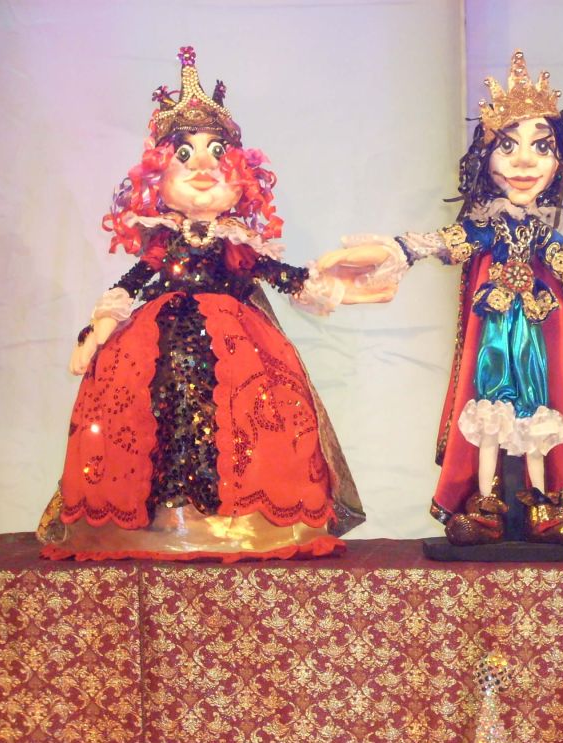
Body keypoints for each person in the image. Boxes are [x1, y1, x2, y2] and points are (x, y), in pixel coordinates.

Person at [37, 47, 366, 561]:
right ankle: (163, 517)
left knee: (245, 417)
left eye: (218, 154)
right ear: (156, 178)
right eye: (185, 156)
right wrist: (98, 328)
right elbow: (130, 284)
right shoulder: (163, 240)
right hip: (154, 341)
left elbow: (281, 276)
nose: (204, 167)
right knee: (152, 414)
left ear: (241, 178)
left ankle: (237, 519)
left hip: (236, 343)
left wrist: (340, 289)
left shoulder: (235, 243)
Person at [327, 51, 563, 545]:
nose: (524, 161)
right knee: (488, 415)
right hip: (495, 339)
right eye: (508, 146)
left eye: (541, 147)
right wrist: (390, 250)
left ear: (560, 163)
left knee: (536, 413)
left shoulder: (545, 238)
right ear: (486, 160)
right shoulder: (484, 228)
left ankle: (541, 502)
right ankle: (485, 503)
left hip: (532, 341)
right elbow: (438, 243)